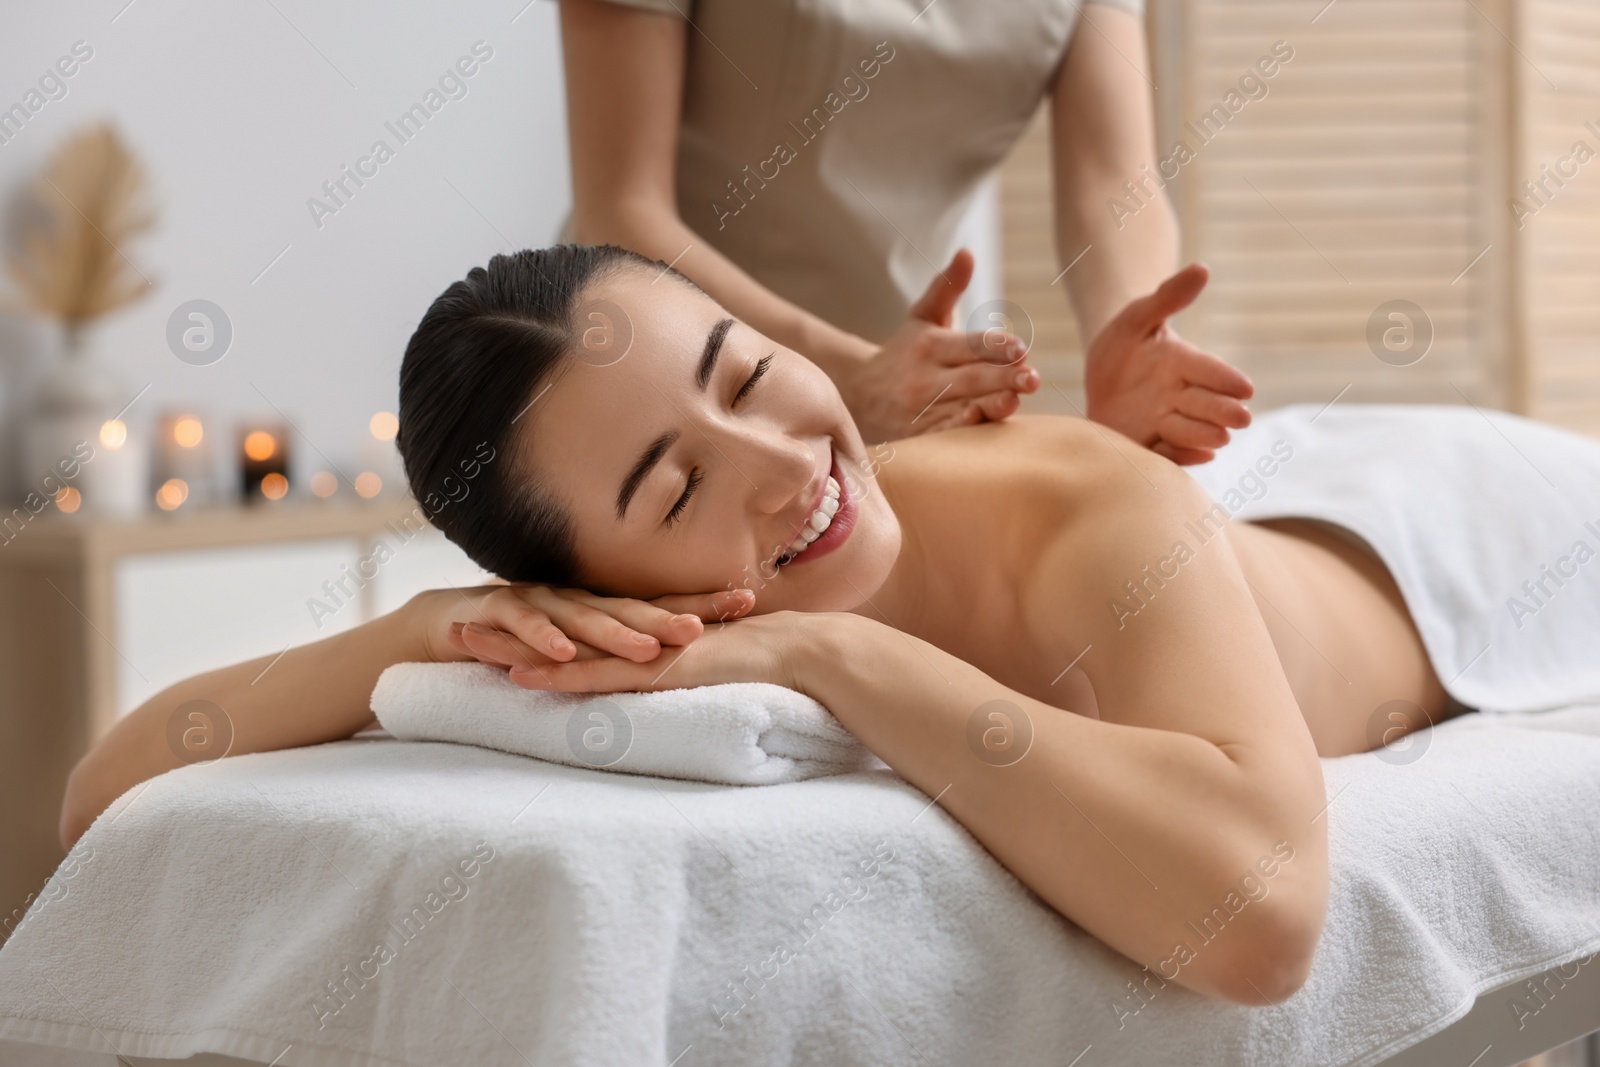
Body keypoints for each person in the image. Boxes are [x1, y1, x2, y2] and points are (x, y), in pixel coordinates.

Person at [61, 246, 1463, 1006]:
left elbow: (1262, 918)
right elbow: (101, 792)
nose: (785, 464)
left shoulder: (1084, 500)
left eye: (746, 371)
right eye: (676, 484)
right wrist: (410, 633)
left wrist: (832, 655)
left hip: (1436, 529)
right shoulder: (614, 615)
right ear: (610, 589)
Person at [559, 0, 1256, 460]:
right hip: (655, 372)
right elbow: (621, 206)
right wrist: (843, 378)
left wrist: (1124, 330)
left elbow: (1114, 181)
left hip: (906, 409)